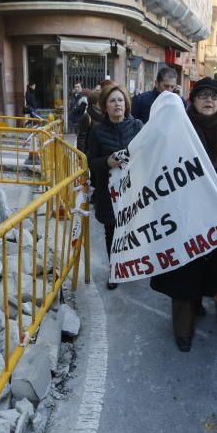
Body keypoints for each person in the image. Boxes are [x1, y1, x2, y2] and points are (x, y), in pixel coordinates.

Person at [150, 77, 217, 352]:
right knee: (183, 271)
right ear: (193, 100)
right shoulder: (178, 125)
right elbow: (158, 162)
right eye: (202, 95)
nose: (208, 100)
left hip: (215, 214)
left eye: (214, 96)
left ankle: (197, 301)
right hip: (182, 213)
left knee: (207, 267)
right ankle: (182, 331)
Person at [86, 83, 143, 290]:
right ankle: (115, 270)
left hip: (134, 191)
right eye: (112, 101)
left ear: (126, 104)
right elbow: (90, 162)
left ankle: (133, 264)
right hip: (108, 193)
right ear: (105, 107)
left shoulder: (137, 126)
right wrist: (107, 162)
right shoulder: (97, 131)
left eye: (120, 100)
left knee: (133, 230)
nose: (117, 104)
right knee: (112, 232)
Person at [76, 89, 104, 156]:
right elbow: (81, 138)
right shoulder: (87, 117)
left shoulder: (105, 115)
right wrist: (81, 156)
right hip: (89, 154)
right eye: (101, 101)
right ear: (94, 103)